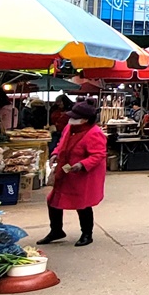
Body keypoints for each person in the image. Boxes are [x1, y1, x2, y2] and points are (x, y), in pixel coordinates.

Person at [38, 99, 107, 247]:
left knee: (83, 204)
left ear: (85, 119)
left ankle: (87, 234)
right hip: (65, 170)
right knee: (53, 201)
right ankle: (56, 230)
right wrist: (55, 154)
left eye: (75, 117)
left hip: (82, 175)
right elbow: (61, 144)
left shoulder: (94, 133)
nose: (71, 119)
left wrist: (82, 164)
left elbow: (99, 155)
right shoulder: (70, 128)